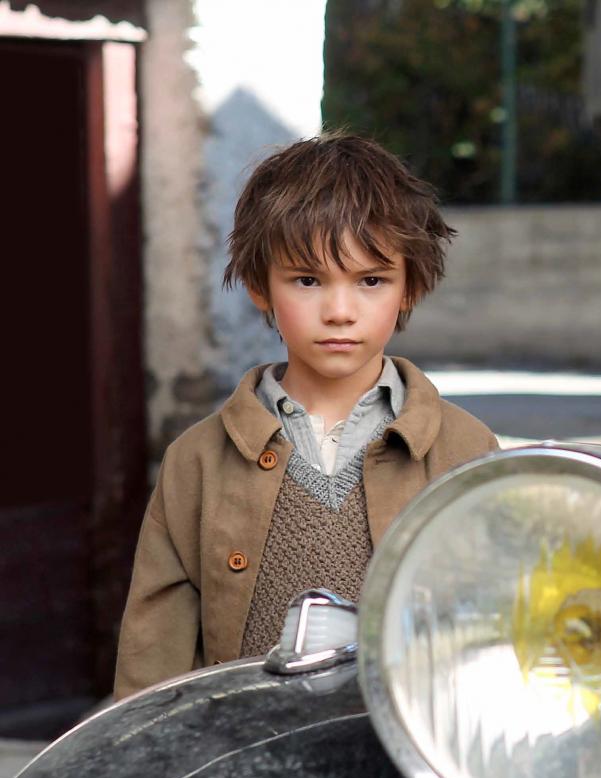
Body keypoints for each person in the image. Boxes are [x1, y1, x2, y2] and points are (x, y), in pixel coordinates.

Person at [114, 134, 497, 699]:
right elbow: (154, 665)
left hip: (407, 766)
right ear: (257, 287)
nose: (340, 311)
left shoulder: (465, 449)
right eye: (307, 280)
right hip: (243, 763)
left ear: (409, 286)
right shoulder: (196, 461)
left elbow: (494, 639)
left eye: (371, 281)